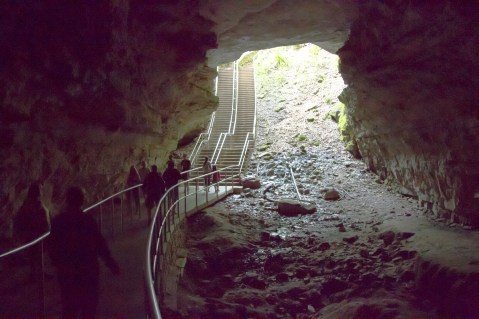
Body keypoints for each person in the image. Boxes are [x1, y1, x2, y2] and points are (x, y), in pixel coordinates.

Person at [49, 186, 120, 319]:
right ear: (81, 201)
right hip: (87, 271)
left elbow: (52, 246)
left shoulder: (59, 221)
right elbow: (100, 244)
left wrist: (58, 263)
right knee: (88, 309)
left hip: (67, 272)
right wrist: (110, 263)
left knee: (69, 307)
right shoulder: (87, 220)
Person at [13, 182, 50, 281]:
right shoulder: (34, 204)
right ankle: (36, 274)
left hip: (31, 233)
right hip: (35, 233)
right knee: (36, 254)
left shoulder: (28, 203)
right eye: (41, 190)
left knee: (35, 254)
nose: (42, 192)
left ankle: (35, 273)